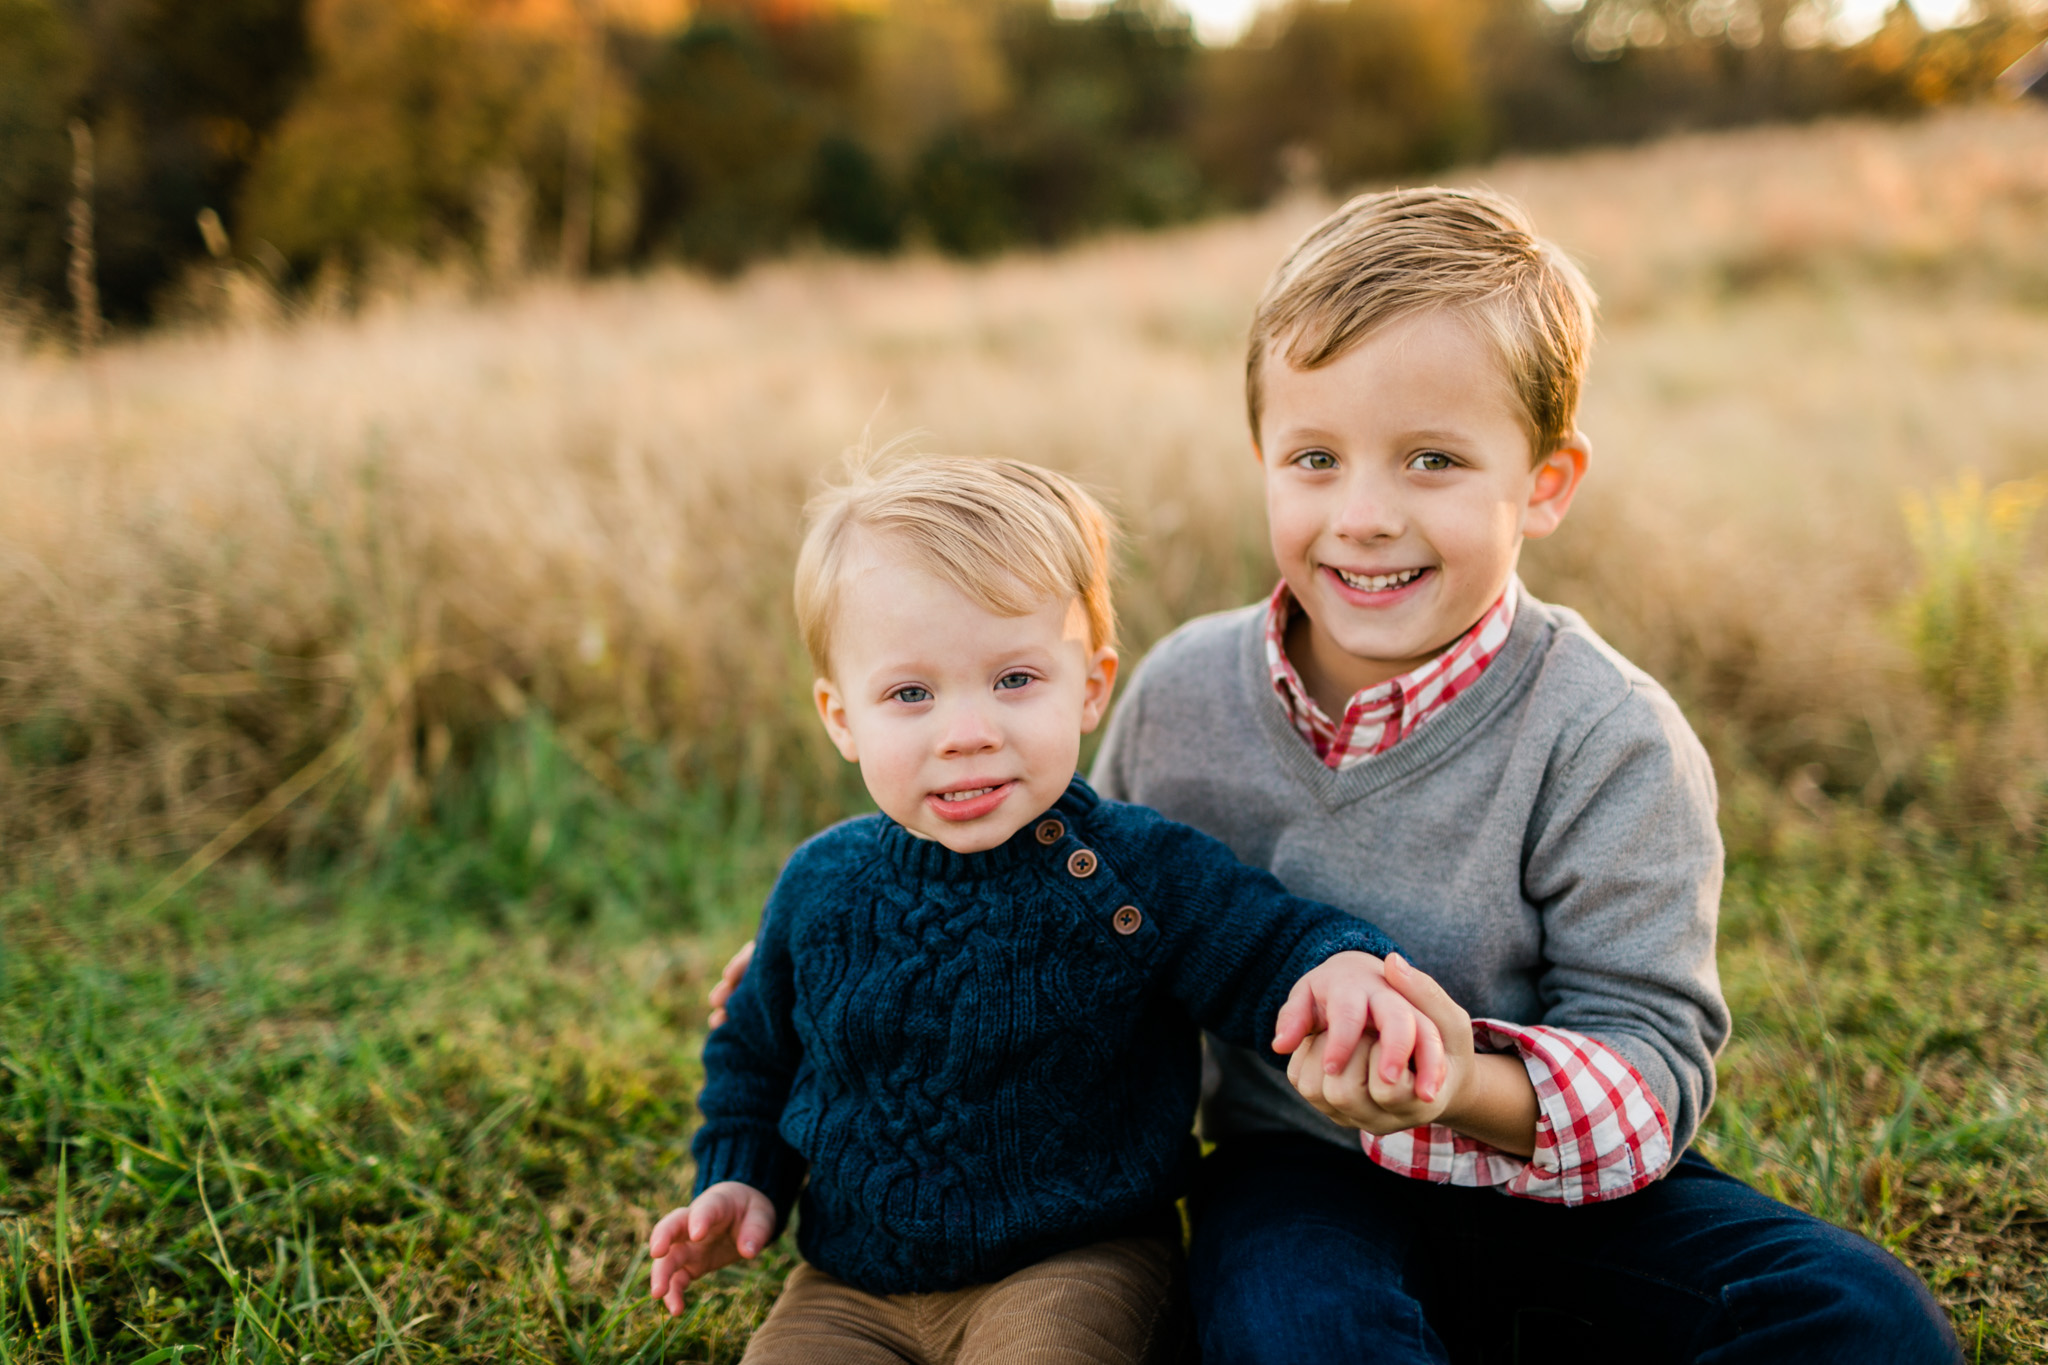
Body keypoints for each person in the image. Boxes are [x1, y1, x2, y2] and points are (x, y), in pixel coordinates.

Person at [710, 188, 1958, 1363]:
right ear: (1259, 456)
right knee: (1294, 1329)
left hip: (1538, 1174)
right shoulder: (1183, 694)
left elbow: (1653, 1051)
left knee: (1860, 1318)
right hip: (1294, 1169)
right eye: (1313, 459)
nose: (1361, 515)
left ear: (1545, 483)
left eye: (1431, 461)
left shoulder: (1605, 735)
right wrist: (856, 966)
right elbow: (1091, 917)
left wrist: (1455, 1082)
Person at [652, 456, 1443, 1364]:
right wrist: (742, 1180)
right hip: (850, 1285)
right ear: (840, 717)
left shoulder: (1128, 874)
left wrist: (1337, 966)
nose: (967, 731)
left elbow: (1263, 942)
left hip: (1075, 1260)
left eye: (1015, 679)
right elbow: (755, 1054)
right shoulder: (821, 884)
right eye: (911, 693)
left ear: (1092, 686)